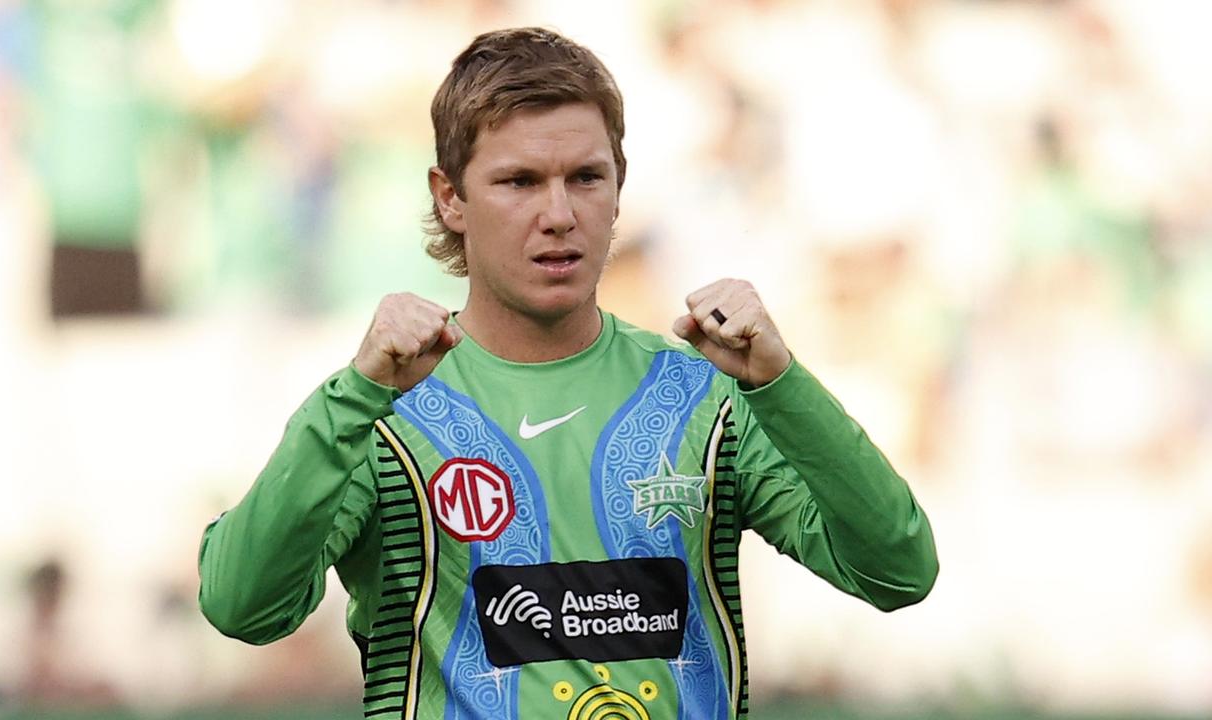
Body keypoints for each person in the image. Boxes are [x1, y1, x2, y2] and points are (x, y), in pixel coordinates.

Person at [197, 27, 938, 719]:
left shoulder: (705, 396)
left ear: (620, 187)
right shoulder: (382, 409)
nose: (559, 214)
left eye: (586, 177)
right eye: (519, 182)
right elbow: (241, 606)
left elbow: (899, 571)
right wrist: (352, 396)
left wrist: (783, 385)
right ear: (449, 197)